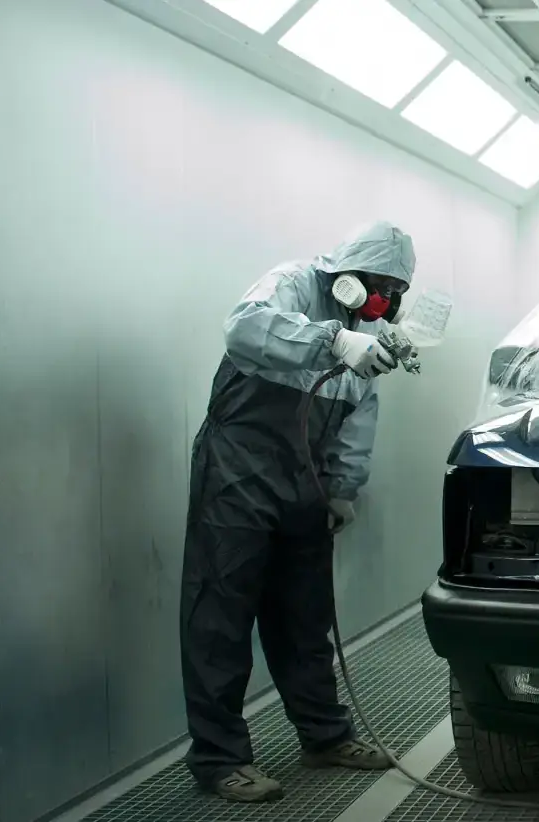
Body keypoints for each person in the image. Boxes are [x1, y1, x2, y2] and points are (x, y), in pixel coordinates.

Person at [179, 221, 415, 802]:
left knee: (305, 617)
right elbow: (244, 327)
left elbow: (358, 418)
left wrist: (342, 488)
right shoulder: (293, 284)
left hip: (304, 481)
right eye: (375, 285)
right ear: (347, 275)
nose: (379, 301)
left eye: (393, 292)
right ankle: (218, 758)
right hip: (237, 471)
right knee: (221, 614)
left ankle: (324, 735)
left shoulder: (366, 337)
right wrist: (332, 340)